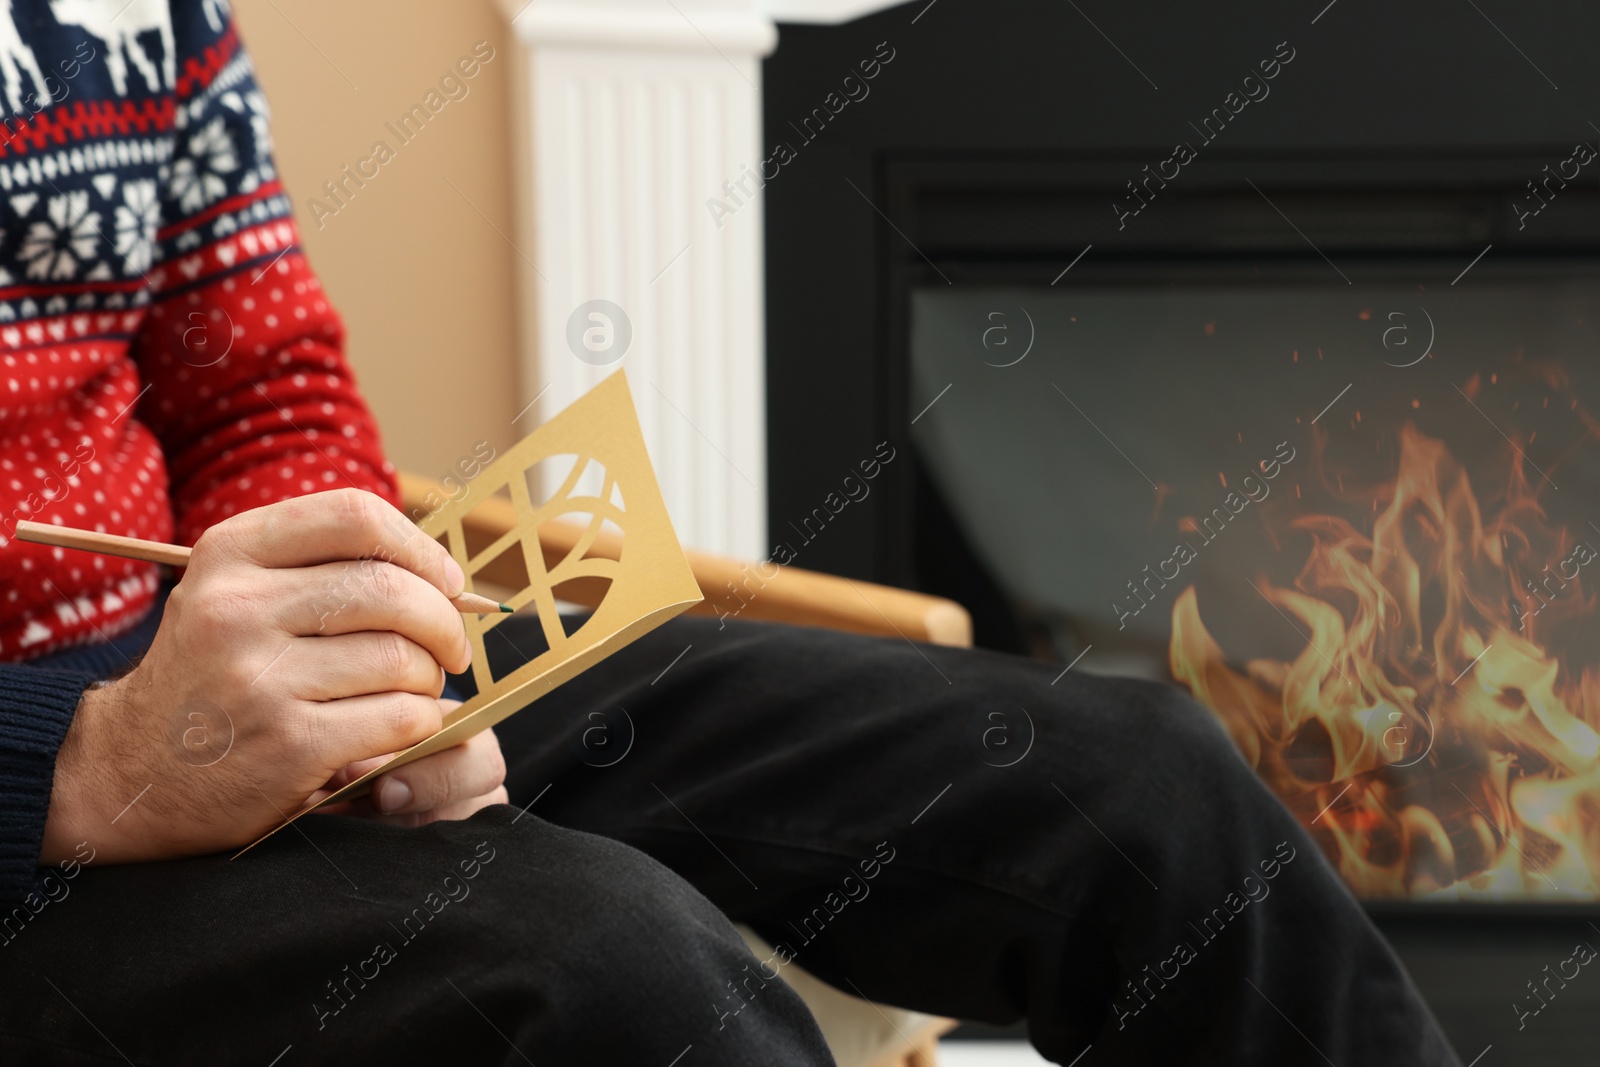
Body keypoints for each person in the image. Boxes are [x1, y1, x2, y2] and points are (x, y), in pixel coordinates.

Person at [0, 3, 1461, 1064]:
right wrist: (95, 754)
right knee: (625, 976)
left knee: (1143, 789)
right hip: (49, 820)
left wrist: (344, 662)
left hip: (208, 691)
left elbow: (256, 387)